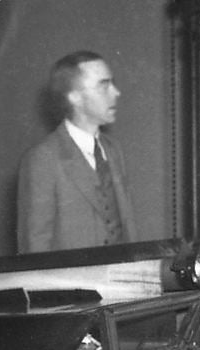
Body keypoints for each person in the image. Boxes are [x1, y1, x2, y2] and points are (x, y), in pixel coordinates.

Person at [16, 50, 137, 254]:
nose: (116, 92)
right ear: (75, 98)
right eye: (104, 85)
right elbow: (34, 245)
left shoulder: (113, 150)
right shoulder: (43, 158)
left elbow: (126, 226)